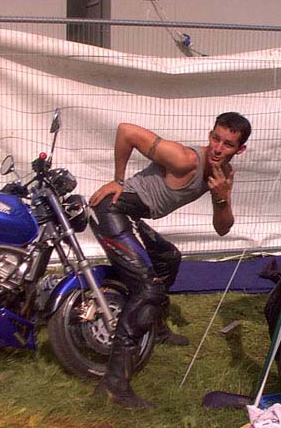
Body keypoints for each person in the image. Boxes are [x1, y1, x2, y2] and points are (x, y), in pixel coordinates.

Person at [89, 112, 251, 408]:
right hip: (111, 210)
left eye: (228, 144)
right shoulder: (184, 159)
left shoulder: (223, 176)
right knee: (147, 289)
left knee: (169, 258)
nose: (218, 148)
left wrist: (221, 197)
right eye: (216, 139)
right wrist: (117, 180)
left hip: (132, 215)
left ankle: (156, 329)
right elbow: (126, 130)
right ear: (210, 135)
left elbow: (222, 228)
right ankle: (114, 385)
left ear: (239, 150)